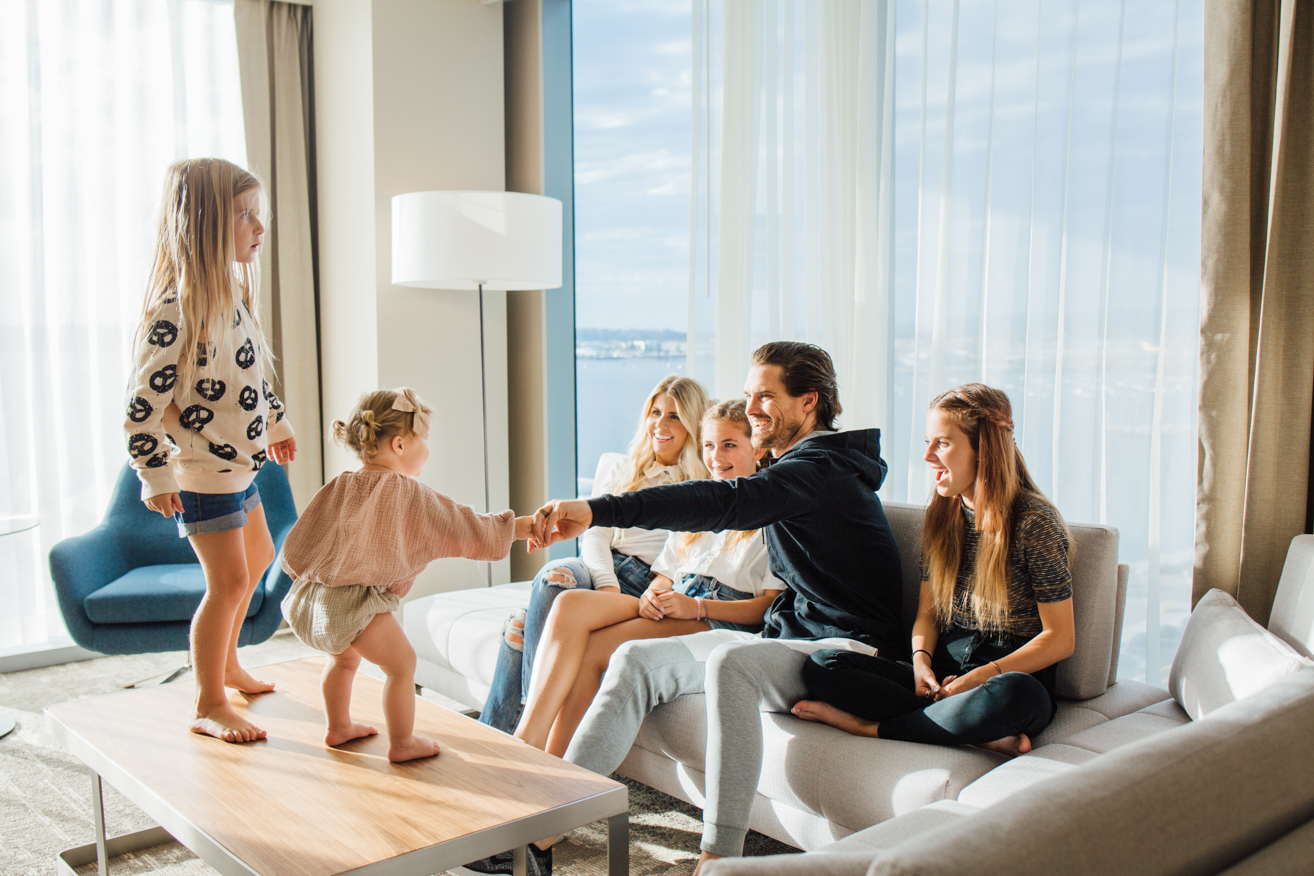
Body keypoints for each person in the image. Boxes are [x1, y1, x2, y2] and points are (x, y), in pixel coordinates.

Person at [529, 342, 904, 874]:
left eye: (766, 396)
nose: (752, 408)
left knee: (731, 663)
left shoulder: (819, 471)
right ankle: (541, 828)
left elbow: (719, 502)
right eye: (749, 394)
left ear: (808, 402)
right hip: (790, 634)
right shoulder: (797, 465)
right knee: (634, 659)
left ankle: (716, 859)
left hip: (847, 646)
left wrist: (595, 509)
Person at [792, 384, 1075, 757]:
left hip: (1006, 676)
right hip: (945, 671)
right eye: (928, 442)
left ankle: (872, 728)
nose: (927, 456)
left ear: (984, 449)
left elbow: (1060, 638)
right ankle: (965, 730)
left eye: (941, 443)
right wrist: (920, 664)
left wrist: (982, 676)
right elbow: (927, 614)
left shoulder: (1034, 523)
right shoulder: (942, 516)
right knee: (822, 665)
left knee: (1015, 697)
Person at [125, 158, 297, 743]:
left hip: (239, 466)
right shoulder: (175, 312)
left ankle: (226, 663)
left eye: (259, 214)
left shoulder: (229, 296)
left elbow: (250, 376)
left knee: (258, 558)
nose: (259, 227)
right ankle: (207, 700)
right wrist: (155, 475)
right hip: (203, 473)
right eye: (245, 215)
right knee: (226, 584)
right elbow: (140, 407)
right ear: (202, 225)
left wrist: (275, 423)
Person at [514, 400, 786, 759]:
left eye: (729, 445)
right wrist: (651, 595)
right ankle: (528, 737)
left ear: (759, 449)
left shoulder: (775, 516)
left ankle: (553, 765)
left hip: (716, 617)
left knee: (595, 650)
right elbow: (663, 576)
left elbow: (769, 608)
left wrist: (697, 606)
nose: (716, 456)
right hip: (676, 600)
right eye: (708, 445)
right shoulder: (701, 504)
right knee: (570, 603)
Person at [279, 389, 535, 762]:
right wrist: (520, 528)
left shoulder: (342, 483)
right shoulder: (405, 491)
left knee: (343, 660)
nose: (428, 449)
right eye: (424, 439)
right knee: (402, 666)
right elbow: (463, 525)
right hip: (353, 604)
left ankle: (338, 727)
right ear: (399, 444)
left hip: (312, 600)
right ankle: (402, 744)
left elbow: (297, 546)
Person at [478, 375, 712, 734]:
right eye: (655, 412)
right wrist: (605, 584)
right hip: (602, 567)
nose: (660, 425)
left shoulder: (702, 485)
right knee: (554, 575)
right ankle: (531, 714)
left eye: (675, 416)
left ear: (693, 424)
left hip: (648, 581)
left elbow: (683, 552)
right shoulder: (623, 467)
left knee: (519, 627)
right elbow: (595, 533)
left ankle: (505, 735)